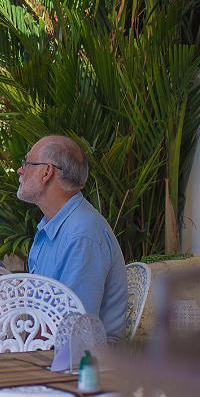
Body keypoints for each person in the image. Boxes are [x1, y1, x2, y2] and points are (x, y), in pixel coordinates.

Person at [16, 134, 128, 339]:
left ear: (46, 172)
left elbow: (73, 328)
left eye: (27, 163)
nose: (20, 170)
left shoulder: (82, 234)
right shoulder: (54, 225)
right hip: (49, 353)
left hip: (85, 364)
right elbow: (39, 305)